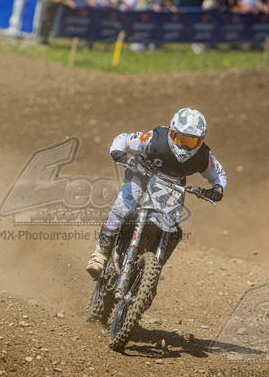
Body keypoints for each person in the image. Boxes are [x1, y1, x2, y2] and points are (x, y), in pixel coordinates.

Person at [85, 108, 227, 280]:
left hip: (172, 185)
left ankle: (152, 269)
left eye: (190, 141)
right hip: (141, 173)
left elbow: (219, 175)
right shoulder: (156, 139)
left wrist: (217, 189)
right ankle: (100, 253)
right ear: (171, 133)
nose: (184, 145)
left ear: (200, 141)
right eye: (181, 139)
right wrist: (118, 152)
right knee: (122, 207)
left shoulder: (203, 156)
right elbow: (124, 139)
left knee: (172, 225)